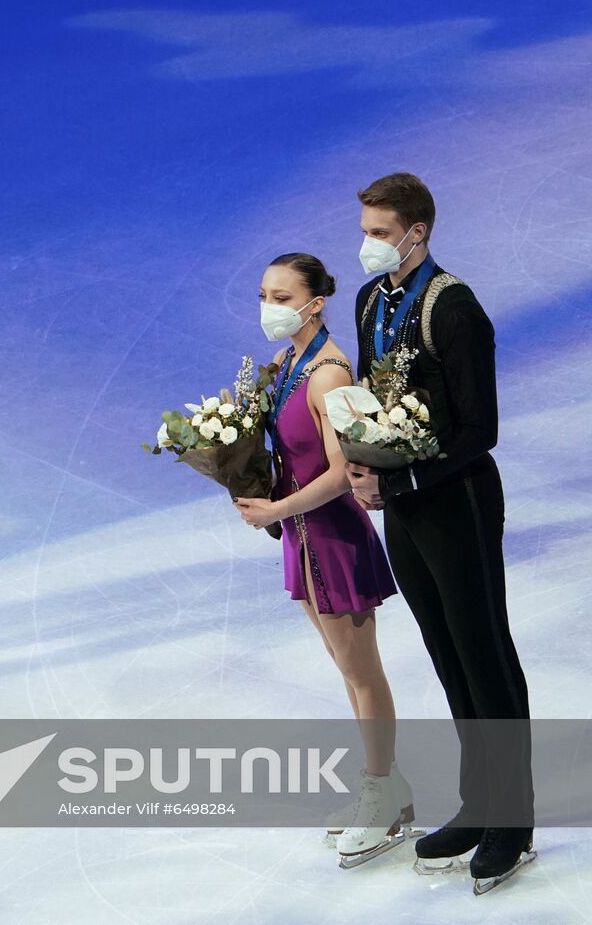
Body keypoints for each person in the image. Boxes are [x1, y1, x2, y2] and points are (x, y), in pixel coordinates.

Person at [345, 173, 534, 891]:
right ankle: (479, 802)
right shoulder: (371, 301)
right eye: (364, 229)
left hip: (458, 502)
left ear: (417, 231)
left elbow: (480, 429)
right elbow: (371, 402)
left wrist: (397, 483)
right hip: (405, 506)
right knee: (447, 652)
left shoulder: (454, 309)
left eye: (380, 231)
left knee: (484, 652)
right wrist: (367, 472)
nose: (367, 243)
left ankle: (513, 822)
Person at [235, 254, 408, 863]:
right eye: (264, 294)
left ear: (315, 302)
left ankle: (384, 796)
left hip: (331, 537)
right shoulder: (286, 364)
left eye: (282, 297)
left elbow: (341, 474)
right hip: (303, 539)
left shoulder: (329, 376)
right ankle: (387, 787)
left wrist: (277, 512)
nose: (269, 306)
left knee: (363, 672)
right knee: (346, 668)